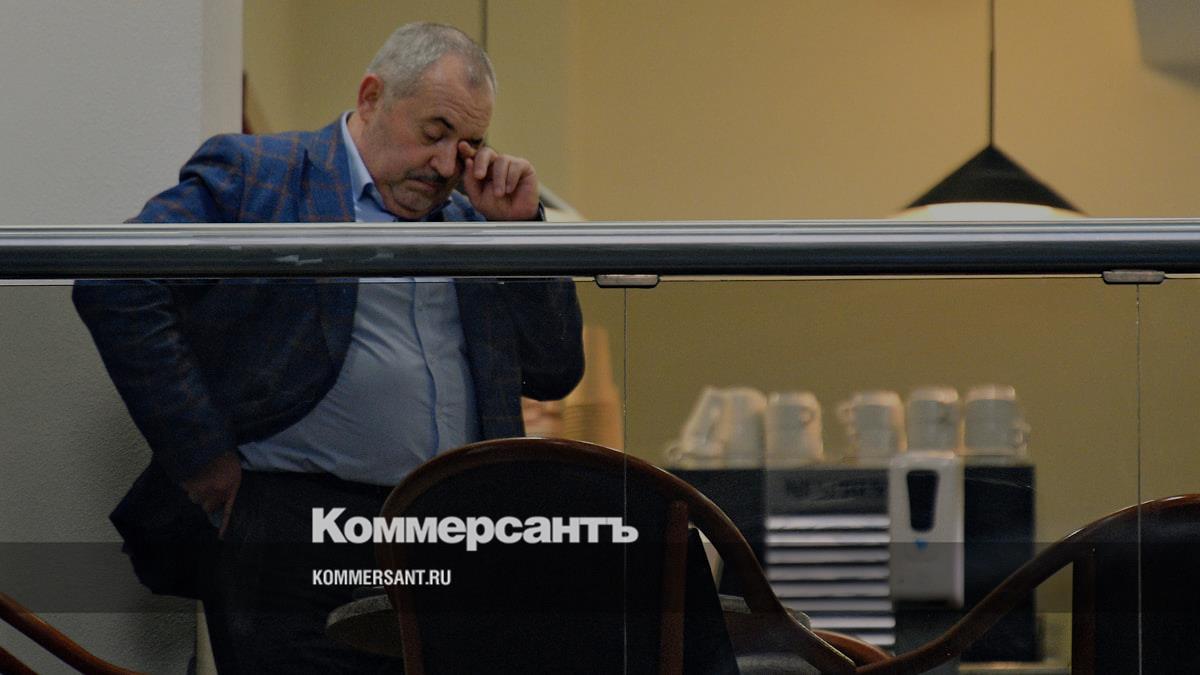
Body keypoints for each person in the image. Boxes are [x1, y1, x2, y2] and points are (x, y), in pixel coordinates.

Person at [73, 22, 583, 673]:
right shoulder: (262, 175)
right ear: (371, 97)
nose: (445, 164)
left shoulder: (472, 221)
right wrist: (202, 458)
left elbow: (553, 370)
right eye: (433, 132)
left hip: (446, 534)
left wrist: (520, 236)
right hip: (294, 525)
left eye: (467, 145)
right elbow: (116, 280)